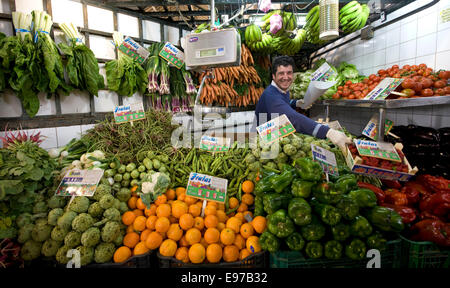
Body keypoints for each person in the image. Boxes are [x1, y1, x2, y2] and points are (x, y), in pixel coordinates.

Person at [253, 55, 351, 153]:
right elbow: (291, 117)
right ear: (273, 76)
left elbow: (282, 102)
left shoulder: (281, 89)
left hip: (277, 134)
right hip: (264, 143)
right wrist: (328, 132)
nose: (286, 77)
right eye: (281, 73)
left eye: (289, 73)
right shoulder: (271, 95)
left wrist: (295, 103)